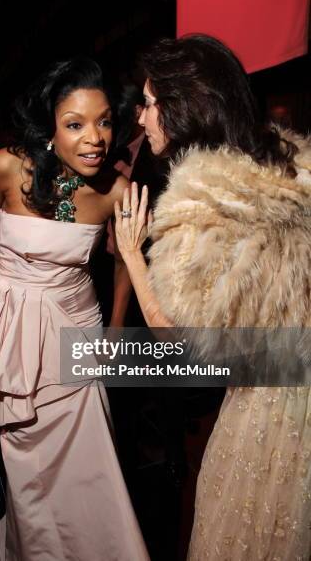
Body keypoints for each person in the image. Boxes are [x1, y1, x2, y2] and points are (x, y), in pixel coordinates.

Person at [114, 35, 311, 560]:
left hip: (265, 410)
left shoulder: (198, 205)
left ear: (180, 111)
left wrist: (133, 255)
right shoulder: (286, 170)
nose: (141, 119)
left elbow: (184, 352)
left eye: (151, 105)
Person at [0, 57, 149, 561]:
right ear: (49, 129)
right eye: (75, 124)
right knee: (25, 464)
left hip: (76, 334)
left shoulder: (117, 191)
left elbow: (126, 263)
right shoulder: (4, 166)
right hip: (15, 331)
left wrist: (114, 330)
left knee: (90, 465)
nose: (95, 139)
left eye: (104, 121)